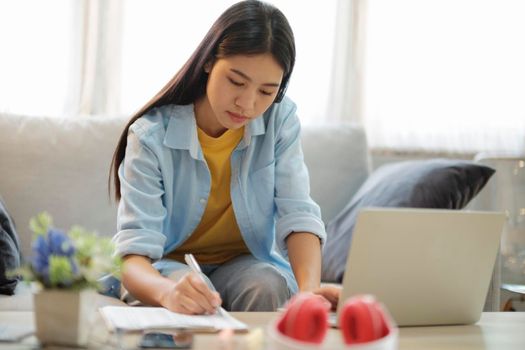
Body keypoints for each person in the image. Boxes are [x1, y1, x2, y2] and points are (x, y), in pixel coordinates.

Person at [108, 0, 340, 314]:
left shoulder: (280, 120)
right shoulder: (150, 136)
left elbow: (298, 213)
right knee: (193, 296)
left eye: (266, 91)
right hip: (168, 267)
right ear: (208, 62)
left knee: (268, 284)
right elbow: (132, 257)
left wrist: (310, 291)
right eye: (236, 81)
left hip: (243, 264)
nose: (247, 104)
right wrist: (168, 293)